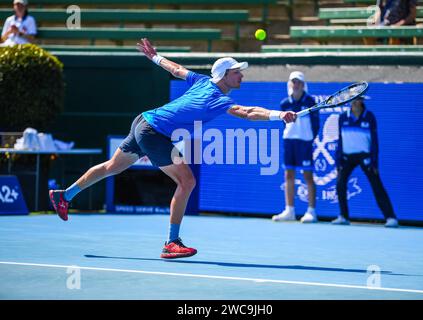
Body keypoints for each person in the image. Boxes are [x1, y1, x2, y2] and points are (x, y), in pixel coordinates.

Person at [48, 38, 297, 259]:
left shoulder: (201, 81)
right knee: (187, 181)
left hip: (143, 121)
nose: (241, 76)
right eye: (236, 72)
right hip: (154, 132)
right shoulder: (217, 98)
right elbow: (247, 112)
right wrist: (278, 115)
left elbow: (176, 69)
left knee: (112, 167)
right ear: (224, 75)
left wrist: (154, 56)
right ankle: (172, 243)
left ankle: (64, 195)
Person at [332, 97, 399, 228]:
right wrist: (338, 159)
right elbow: (340, 139)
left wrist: (374, 162)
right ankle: (343, 216)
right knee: (340, 184)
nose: (356, 102)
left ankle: (391, 217)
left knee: (376, 185)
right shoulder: (342, 117)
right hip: (347, 157)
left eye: (358, 99)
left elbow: (374, 141)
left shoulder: (369, 117)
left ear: (362, 101)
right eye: (353, 99)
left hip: (365, 157)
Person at [272, 71, 320, 223]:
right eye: (293, 82)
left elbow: (316, 124)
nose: (296, 84)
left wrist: (309, 138)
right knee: (288, 175)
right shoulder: (284, 103)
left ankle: (311, 211)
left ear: (303, 85)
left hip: (304, 143)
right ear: (290, 84)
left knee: (308, 176)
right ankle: (289, 210)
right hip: (289, 142)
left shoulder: (311, 101)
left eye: (298, 82)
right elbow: (283, 124)